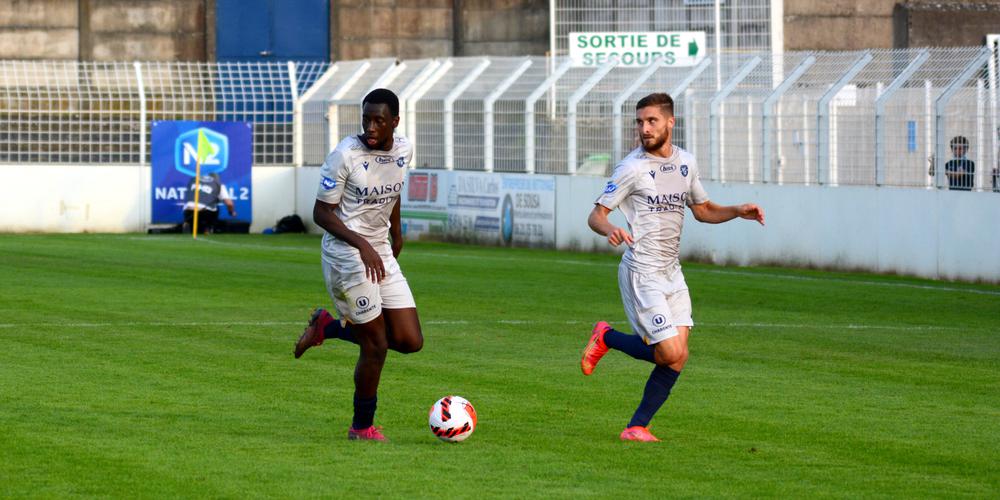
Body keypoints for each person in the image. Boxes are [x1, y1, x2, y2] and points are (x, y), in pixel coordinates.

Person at [580, 93, 765, 442]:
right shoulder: (631, 167)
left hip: (672, 272)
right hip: (642, 271)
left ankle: (636, 427)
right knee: (668, 351)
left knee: (678, 358)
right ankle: (606, 336)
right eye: (639, 122)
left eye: (651, 121)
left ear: (670, 122)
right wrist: (611, 229)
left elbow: (703, 209)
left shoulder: (686, 163)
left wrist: (737, 210)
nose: (644, 129)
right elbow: (596, 215)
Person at [293, 88, 423, 442]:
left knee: (410, 340)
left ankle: (328, 327)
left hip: (378, 250)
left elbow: (392, 191)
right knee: (376, 344)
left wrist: (396, 233)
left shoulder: (403, 149)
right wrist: (362, 242)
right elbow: (321, 212)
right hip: (346, 254)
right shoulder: (344, 156)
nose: (371, 127)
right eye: (366, 119)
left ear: (394, 121)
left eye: (379, 120)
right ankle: (361, 426)